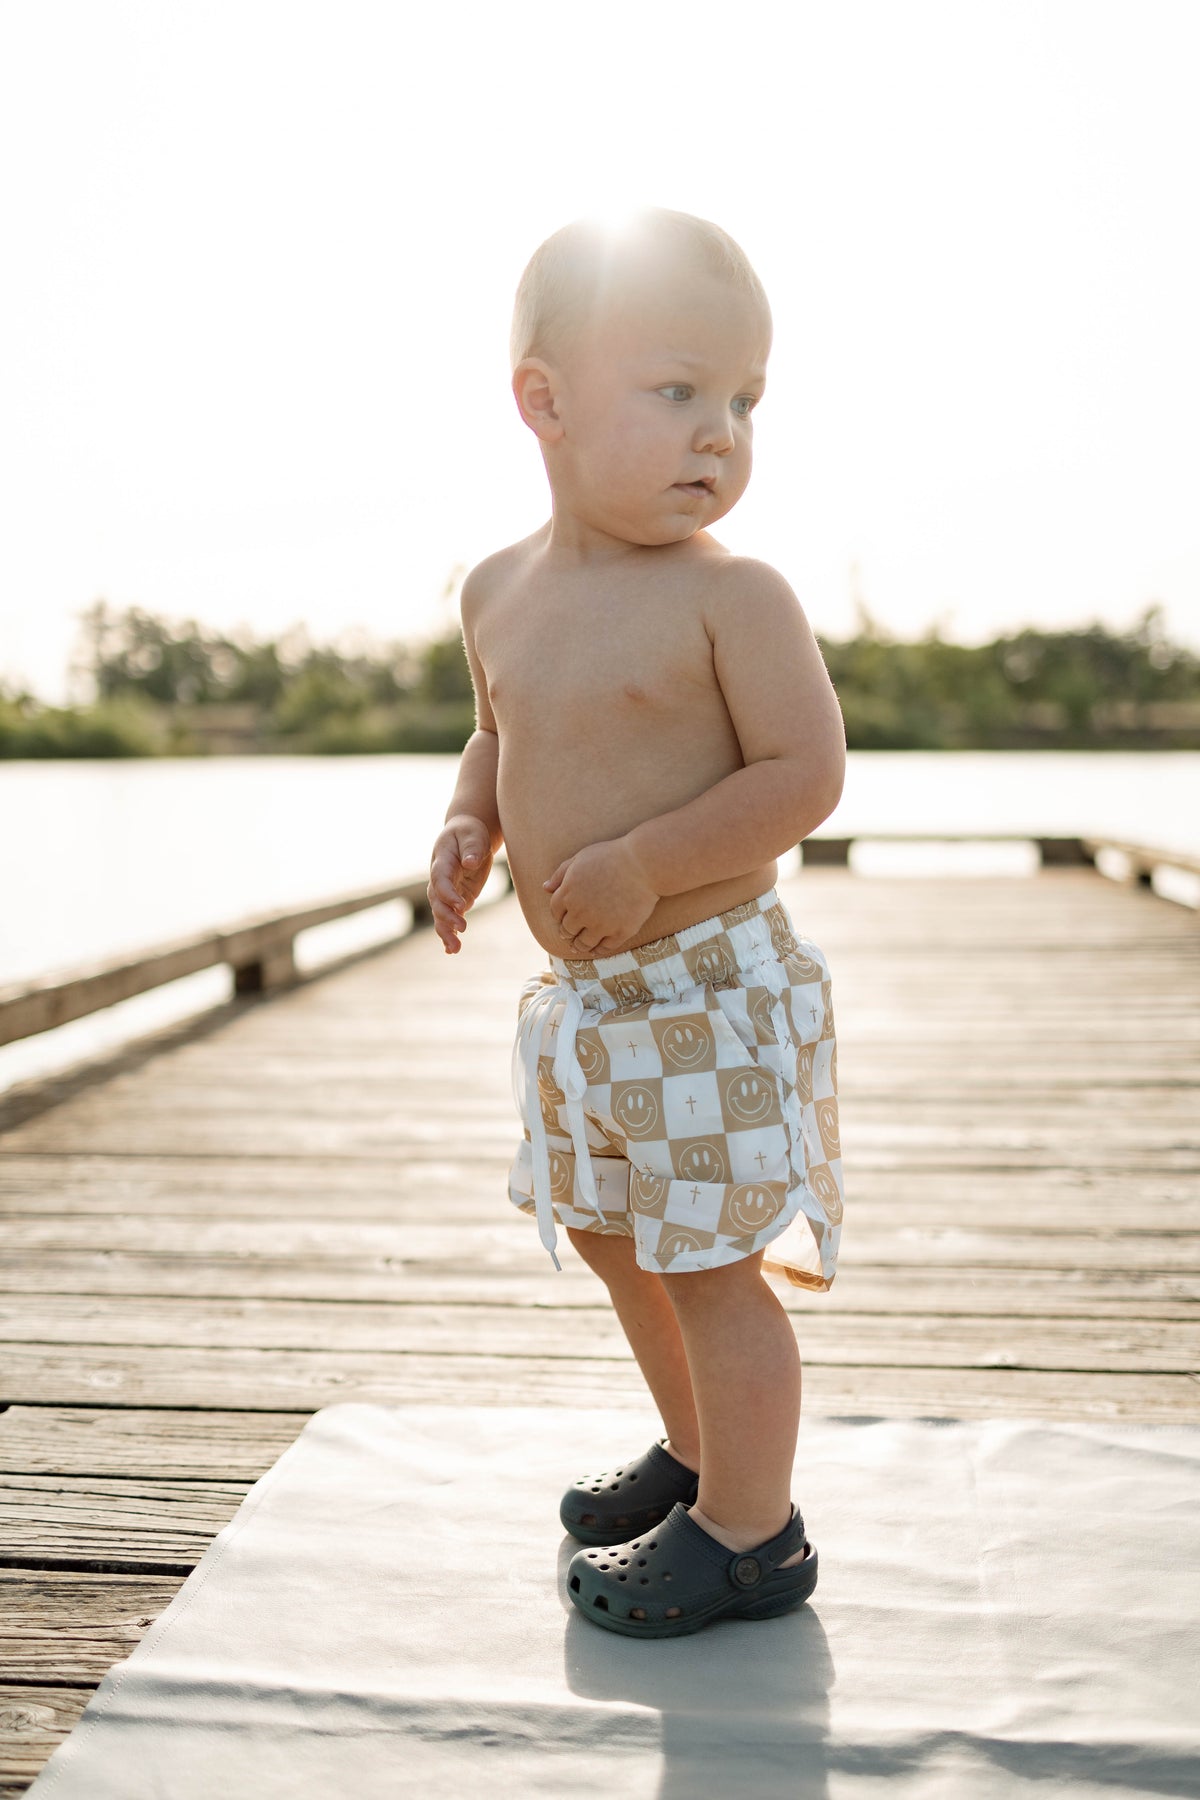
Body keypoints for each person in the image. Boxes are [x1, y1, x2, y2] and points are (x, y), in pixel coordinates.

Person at [427, 209, 846, 1638]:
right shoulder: (496, 591)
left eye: (746, 402)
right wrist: (470, 824)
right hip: (592, 1010)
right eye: (679, 392)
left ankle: (751, 1531)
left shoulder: (734, 597)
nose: (719, 433)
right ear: (543, 401)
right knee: (618, 1236)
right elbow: (501, 728)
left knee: (706, 1260)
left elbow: (805, 775)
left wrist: (651, 863)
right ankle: (697, 1455)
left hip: (703, 988)